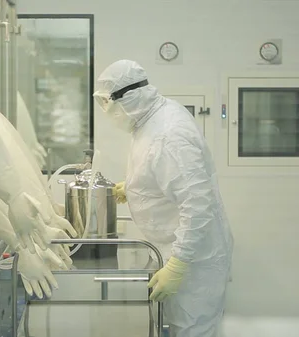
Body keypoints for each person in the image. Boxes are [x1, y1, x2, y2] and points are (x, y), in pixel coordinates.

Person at [94, 60, 233, 337]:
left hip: (194, 261)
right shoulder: (151, 118)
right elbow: (162, 174)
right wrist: (133, 188)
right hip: (171, 251)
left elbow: (197, 205)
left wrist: (179, 264)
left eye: (106, 103)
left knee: (193, 330)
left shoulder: (169, 135)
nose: (106, 112)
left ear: (129, 97)